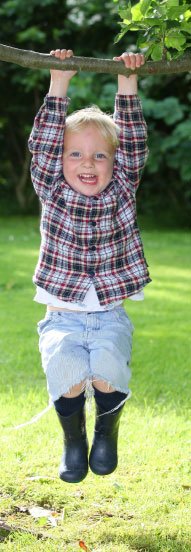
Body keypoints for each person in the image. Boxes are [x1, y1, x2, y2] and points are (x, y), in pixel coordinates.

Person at [28, 48, 151, 483]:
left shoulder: (122, 190)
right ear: (60, 163)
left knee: (110, 370)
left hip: (109, 316)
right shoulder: (52, 190)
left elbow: (133, 145)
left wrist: (126, 81)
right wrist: (58, 83)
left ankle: (108, 430)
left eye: (99, 156)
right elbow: (43, 147)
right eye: (75, 154)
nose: (87, 163)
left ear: (114, 165)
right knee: (66, 372)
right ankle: (73, 439)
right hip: (61, 316)